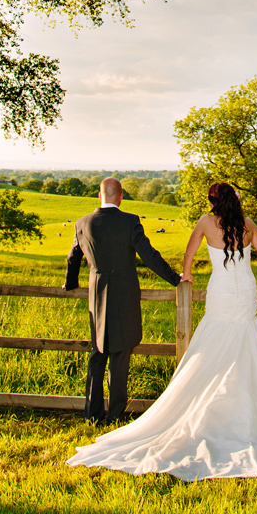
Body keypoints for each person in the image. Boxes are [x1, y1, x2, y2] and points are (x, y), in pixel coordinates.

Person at [66, 182, 257, 480]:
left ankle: (206, 410)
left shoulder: (204, 222)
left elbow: (188, 255)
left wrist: (184, 276)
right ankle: (242, 416)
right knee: (244, 350)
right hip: (245, 294)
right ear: (234, 201)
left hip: (221, 293)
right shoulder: (248, 225)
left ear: (213, 202)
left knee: (210, 349)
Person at [63, 176, 182, 424]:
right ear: (121, 196)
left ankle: (92, 415)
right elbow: (149, 256)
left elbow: (73, 257)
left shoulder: (82, 223)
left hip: (96, 296)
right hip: (124, 295)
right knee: (120, 354)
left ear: (100, 196)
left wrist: (70, 283)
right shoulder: (130, 222)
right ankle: (115, 415)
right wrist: (175, 279)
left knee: (97, 352)